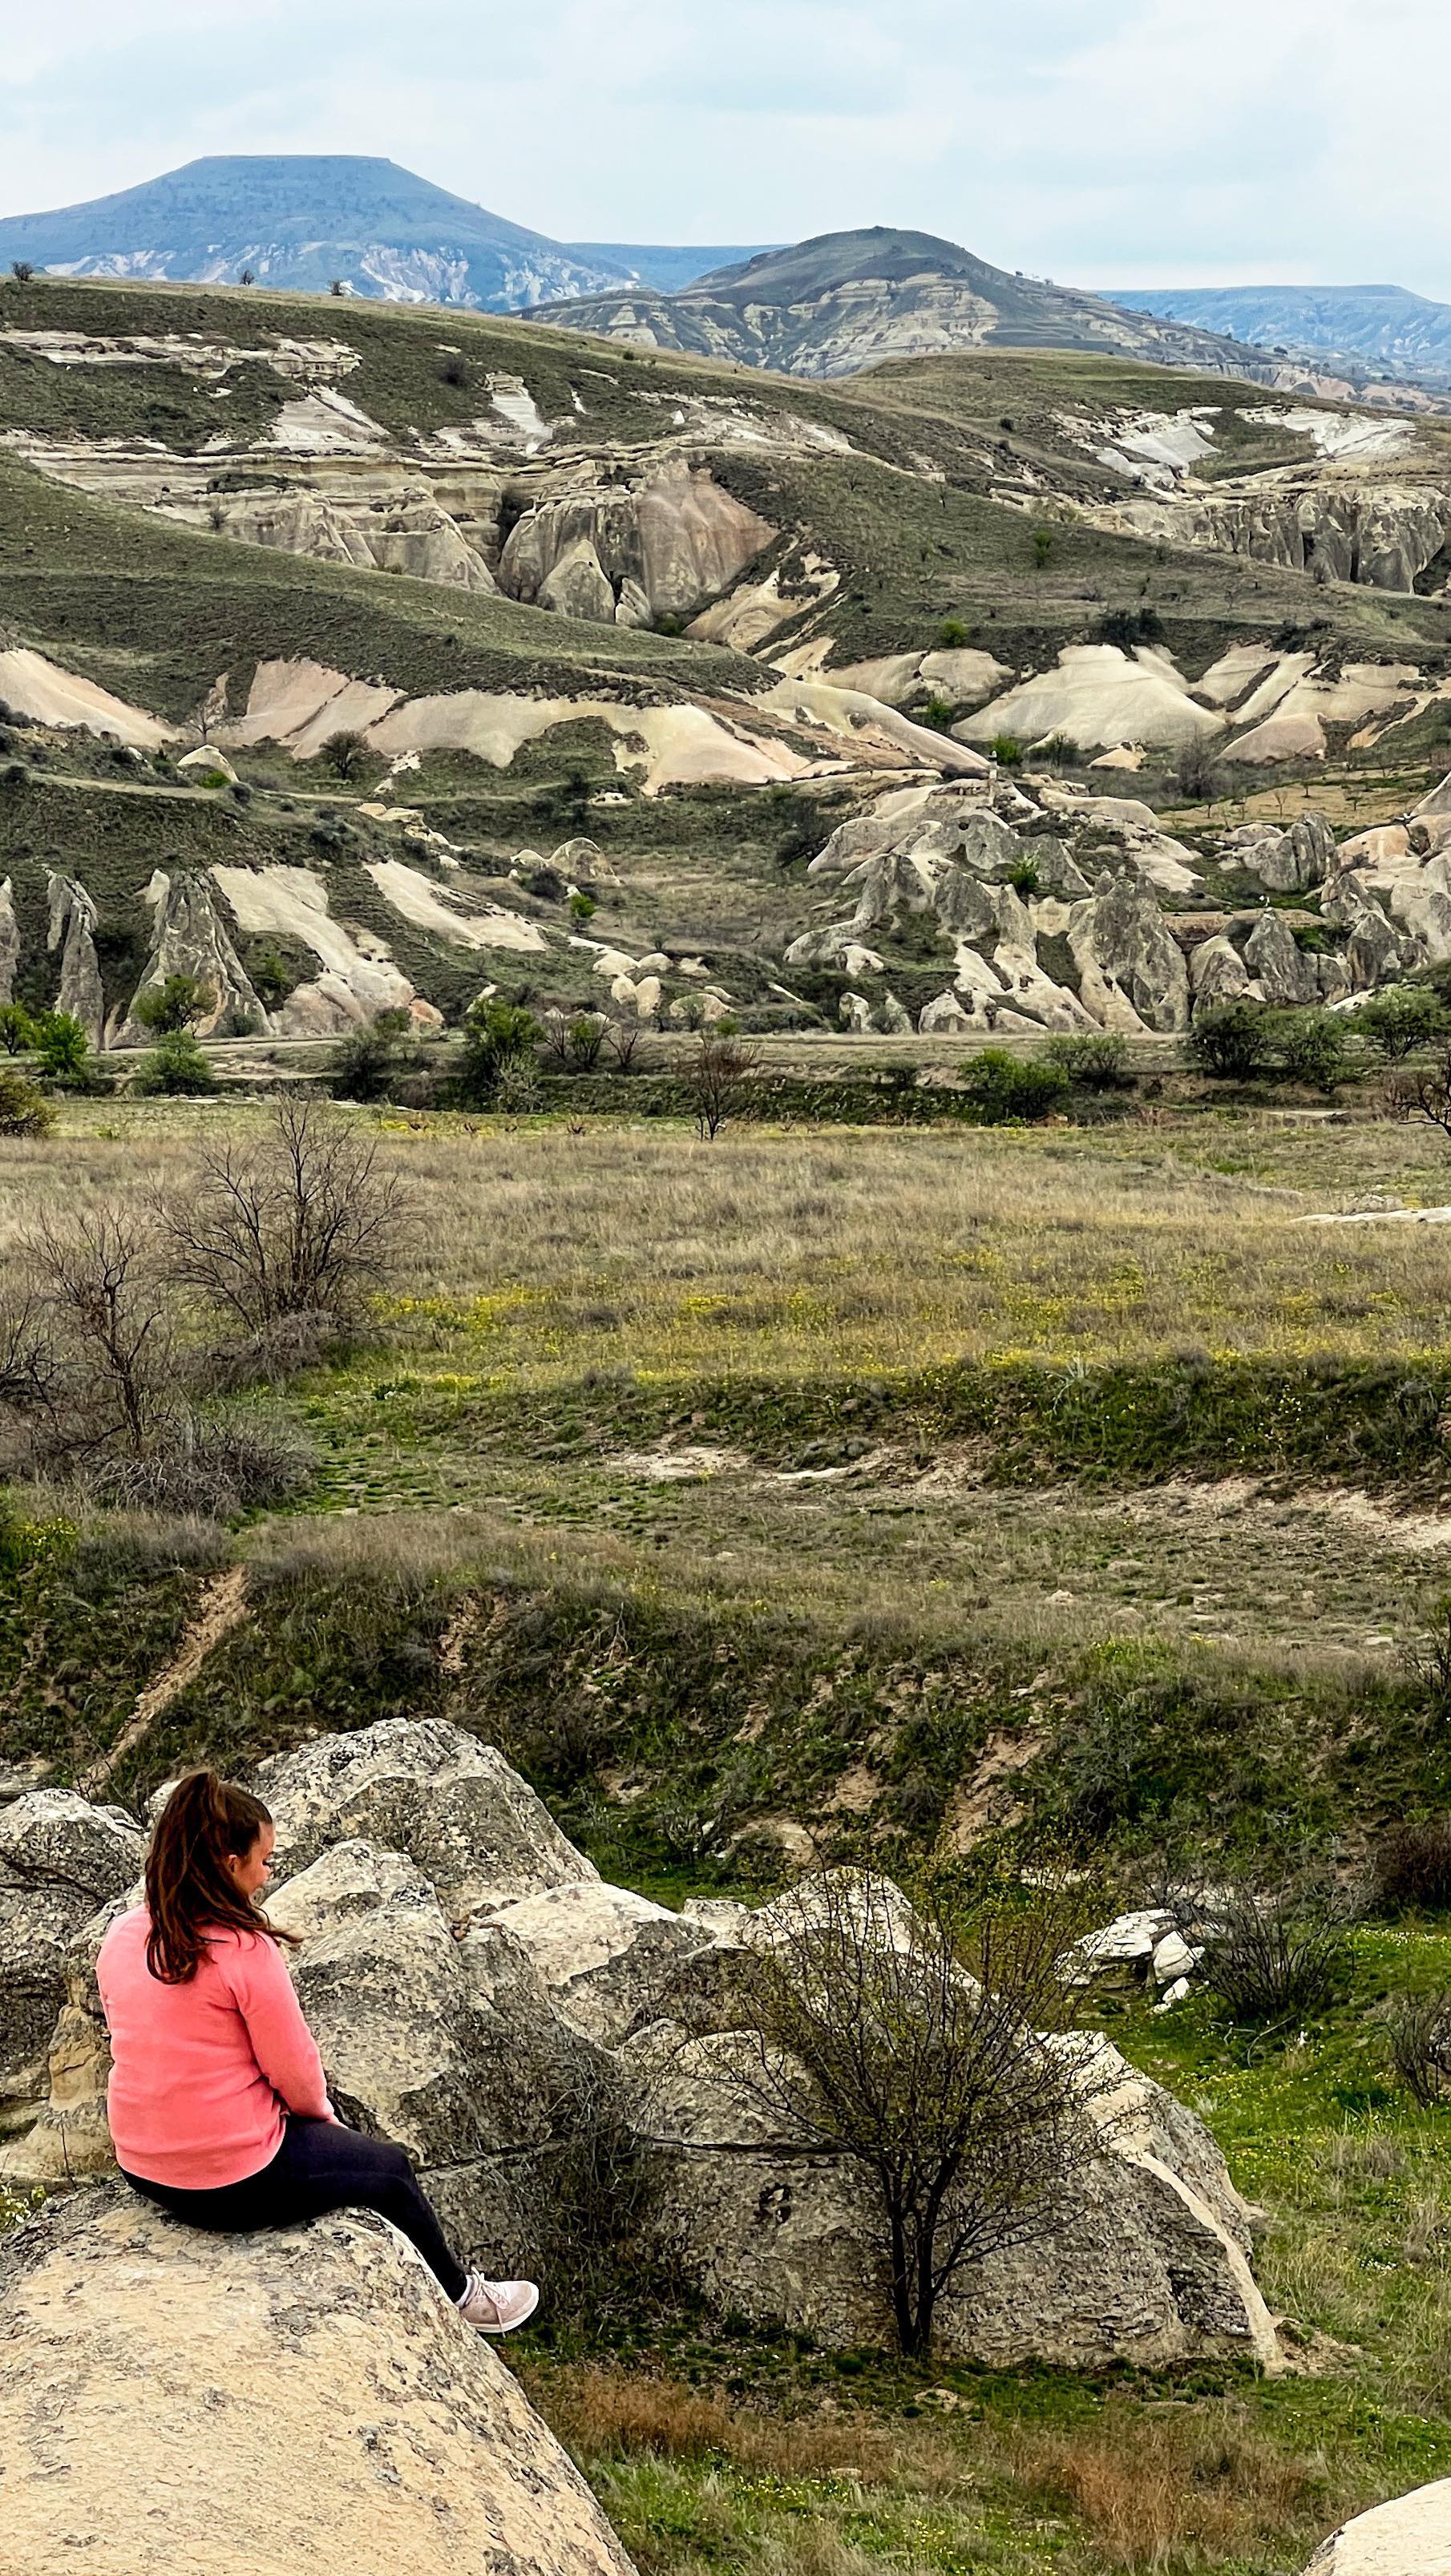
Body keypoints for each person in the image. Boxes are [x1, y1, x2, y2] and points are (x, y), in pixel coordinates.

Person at [96, 1767, 537, 2334]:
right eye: (265, 1859)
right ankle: (466, 2299)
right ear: (231, 1866)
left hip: (141, 2165)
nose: (268, 1872)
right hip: (227, 2182)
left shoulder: (124, 1935)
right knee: (390, 2170)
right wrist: (328, 2128)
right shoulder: (244, 1949)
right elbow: (297, 2075)